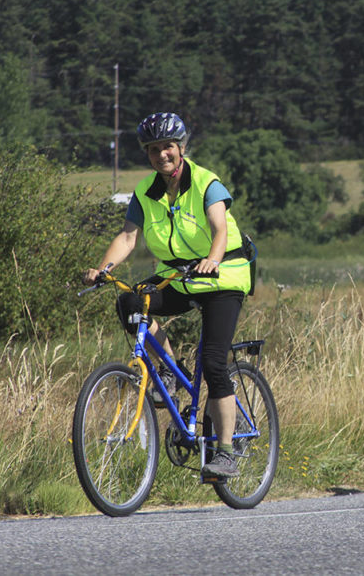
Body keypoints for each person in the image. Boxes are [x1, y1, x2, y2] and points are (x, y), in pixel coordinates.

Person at [83, 112, 252, 480]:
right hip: (178, 277)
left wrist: (212, 259)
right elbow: (128, 237)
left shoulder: (206, 182)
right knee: (131, 301)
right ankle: (169, 374)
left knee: (214, 362)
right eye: (154, 149)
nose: (162, 155)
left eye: (168, 148)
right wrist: (104, 269)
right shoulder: (145, 192)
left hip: (223, 277)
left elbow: (219, 228)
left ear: (182, 148)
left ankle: (225, 453)